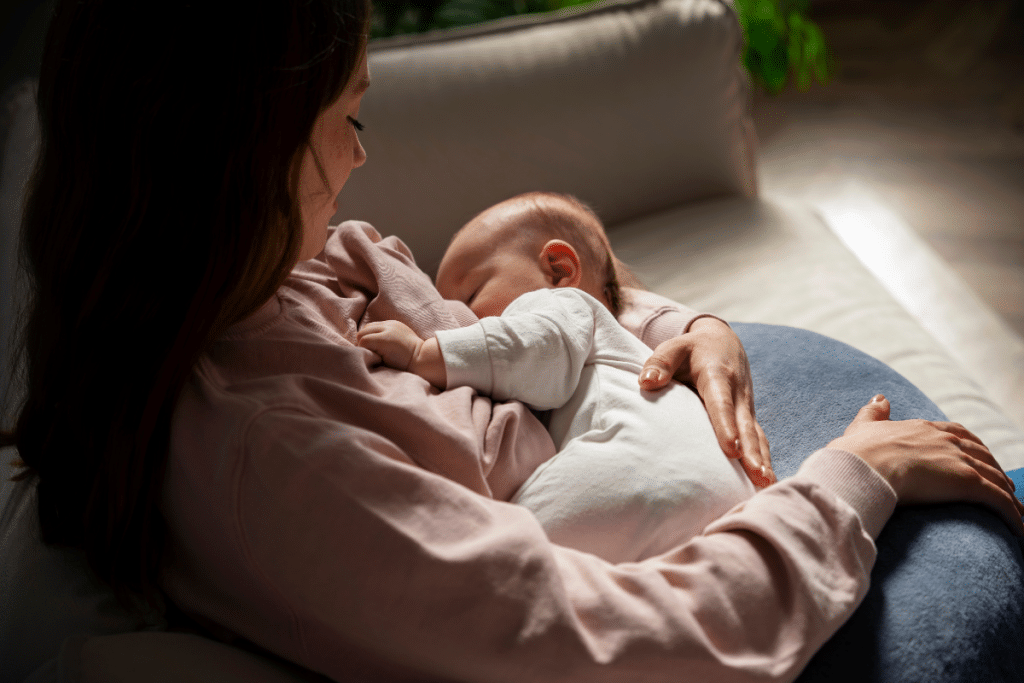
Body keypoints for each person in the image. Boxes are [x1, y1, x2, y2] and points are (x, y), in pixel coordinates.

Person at [4, 1, 1022, 682]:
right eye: (345, 117)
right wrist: (852, 477)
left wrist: (687, 330)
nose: (361, 155)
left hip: (676, 442)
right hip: (739, 579)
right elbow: (609, 640)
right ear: (242, 153)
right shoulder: (269, 459)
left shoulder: (278, 279)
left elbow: (533, 316)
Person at [357, 191, 760, 563]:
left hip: (633, 472)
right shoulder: (618, 342)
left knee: (499, 554)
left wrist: (422, 352)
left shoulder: (561, 304)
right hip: (723, 493)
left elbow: (536, 346)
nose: (463, 319)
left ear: (558, 269)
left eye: (471, 297)